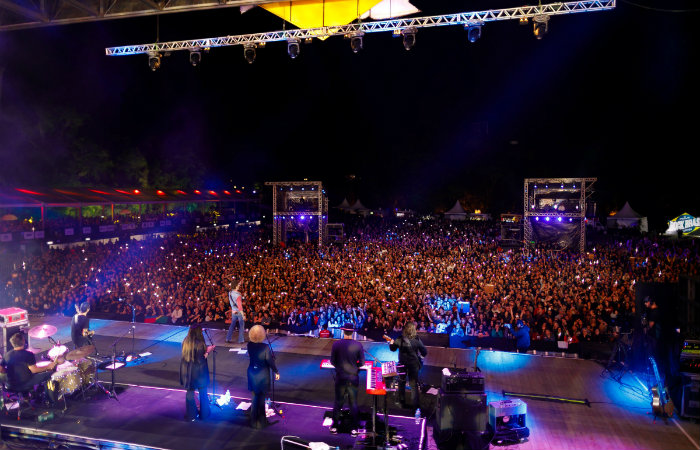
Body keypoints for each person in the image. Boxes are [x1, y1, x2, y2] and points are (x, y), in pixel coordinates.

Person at [330, 323, 364, 434]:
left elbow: (332, 361)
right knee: (353, 402)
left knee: (338, 402)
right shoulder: (358, 345)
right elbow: (362, 363)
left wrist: (339, 367)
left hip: (341, 377)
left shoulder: (336, 344)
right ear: (352, 332)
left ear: (343, 331)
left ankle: (334, 426)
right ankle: (354, 428)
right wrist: (355, 366)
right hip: (353, 377)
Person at [247, 325, 280, 429]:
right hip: (262, 375)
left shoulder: (249, 345)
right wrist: (276, 371)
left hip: (252, 373)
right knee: (261, 399)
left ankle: (253, 421)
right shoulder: (265, 347)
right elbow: (269, 361)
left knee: (254, 397)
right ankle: (261, 422)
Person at [179, 325, 215, 421]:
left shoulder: (185, 341)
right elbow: (201, 359)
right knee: (202, 392)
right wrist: (208, 351)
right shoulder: (199, 343)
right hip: (198, 372)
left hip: (187, 371)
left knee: (190, 392)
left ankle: (191, 415)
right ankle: (204, 414)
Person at [389, 322, 427, 410]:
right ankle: (415, 405)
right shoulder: (417, 339)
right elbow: (424, 352)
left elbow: (393, 349)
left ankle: (402, 403)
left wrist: (391, 343)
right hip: (413, 365)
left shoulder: (400, 339)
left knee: (401, 383)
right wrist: (420, 357)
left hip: (402, 364)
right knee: (414, 385)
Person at [226, 279, 246, 344]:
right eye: (238, 285)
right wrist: (243, 315)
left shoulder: (230, 293)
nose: (239, 286)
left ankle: (228, 338)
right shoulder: (238, 295)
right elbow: (240, 307)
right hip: (239, 312)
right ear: (235, 286)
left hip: (233, 311)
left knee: (232, 325)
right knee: (241, 325)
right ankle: (241, 340)